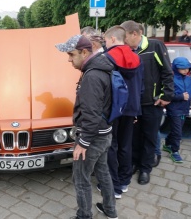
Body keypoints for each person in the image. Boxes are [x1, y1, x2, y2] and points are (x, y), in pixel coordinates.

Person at [55, 35, 117, 219]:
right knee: (103, 171)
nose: (68, 59)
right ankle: (110, 210)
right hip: (105, 133)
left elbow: (91, 115)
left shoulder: (92, 76)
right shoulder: (102, 67)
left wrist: (82, 143)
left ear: (84, 52)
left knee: (80, 178)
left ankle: (84, 216)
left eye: (71, 54)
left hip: (92, 137)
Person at [121, 20, 174, 185]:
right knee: (134, 137)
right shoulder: (127, 50)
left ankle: (145, 168)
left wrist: (166, 95)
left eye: (125, 37)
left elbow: (167, 71)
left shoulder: (154, 46)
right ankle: (135, 163)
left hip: (152, 103)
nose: (123, 41)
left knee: (149, 137)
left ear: (134, 34)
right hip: (134, 104)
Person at [101, 26, 144, 198]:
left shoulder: (107, 58)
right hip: (131, 108)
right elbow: (141, 86)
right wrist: (136, 110)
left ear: (112, 39)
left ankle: (114, 186)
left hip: (113, 108)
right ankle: (125, 181)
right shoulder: (137, 58)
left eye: (105, 40)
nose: (105, 43)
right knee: (126, 145)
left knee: (112, 145)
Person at [163, 57, 191, 163]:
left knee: (176, 130)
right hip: (174, 110)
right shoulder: (171, 79)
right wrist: (181, 97)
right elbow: (167, 95)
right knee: (178, 132)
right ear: (175, 68)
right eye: (182, 68)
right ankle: (175, 151)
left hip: (184, 110)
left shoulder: (188, 79)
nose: (185, 70)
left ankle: (167, 144)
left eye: (187, 68)